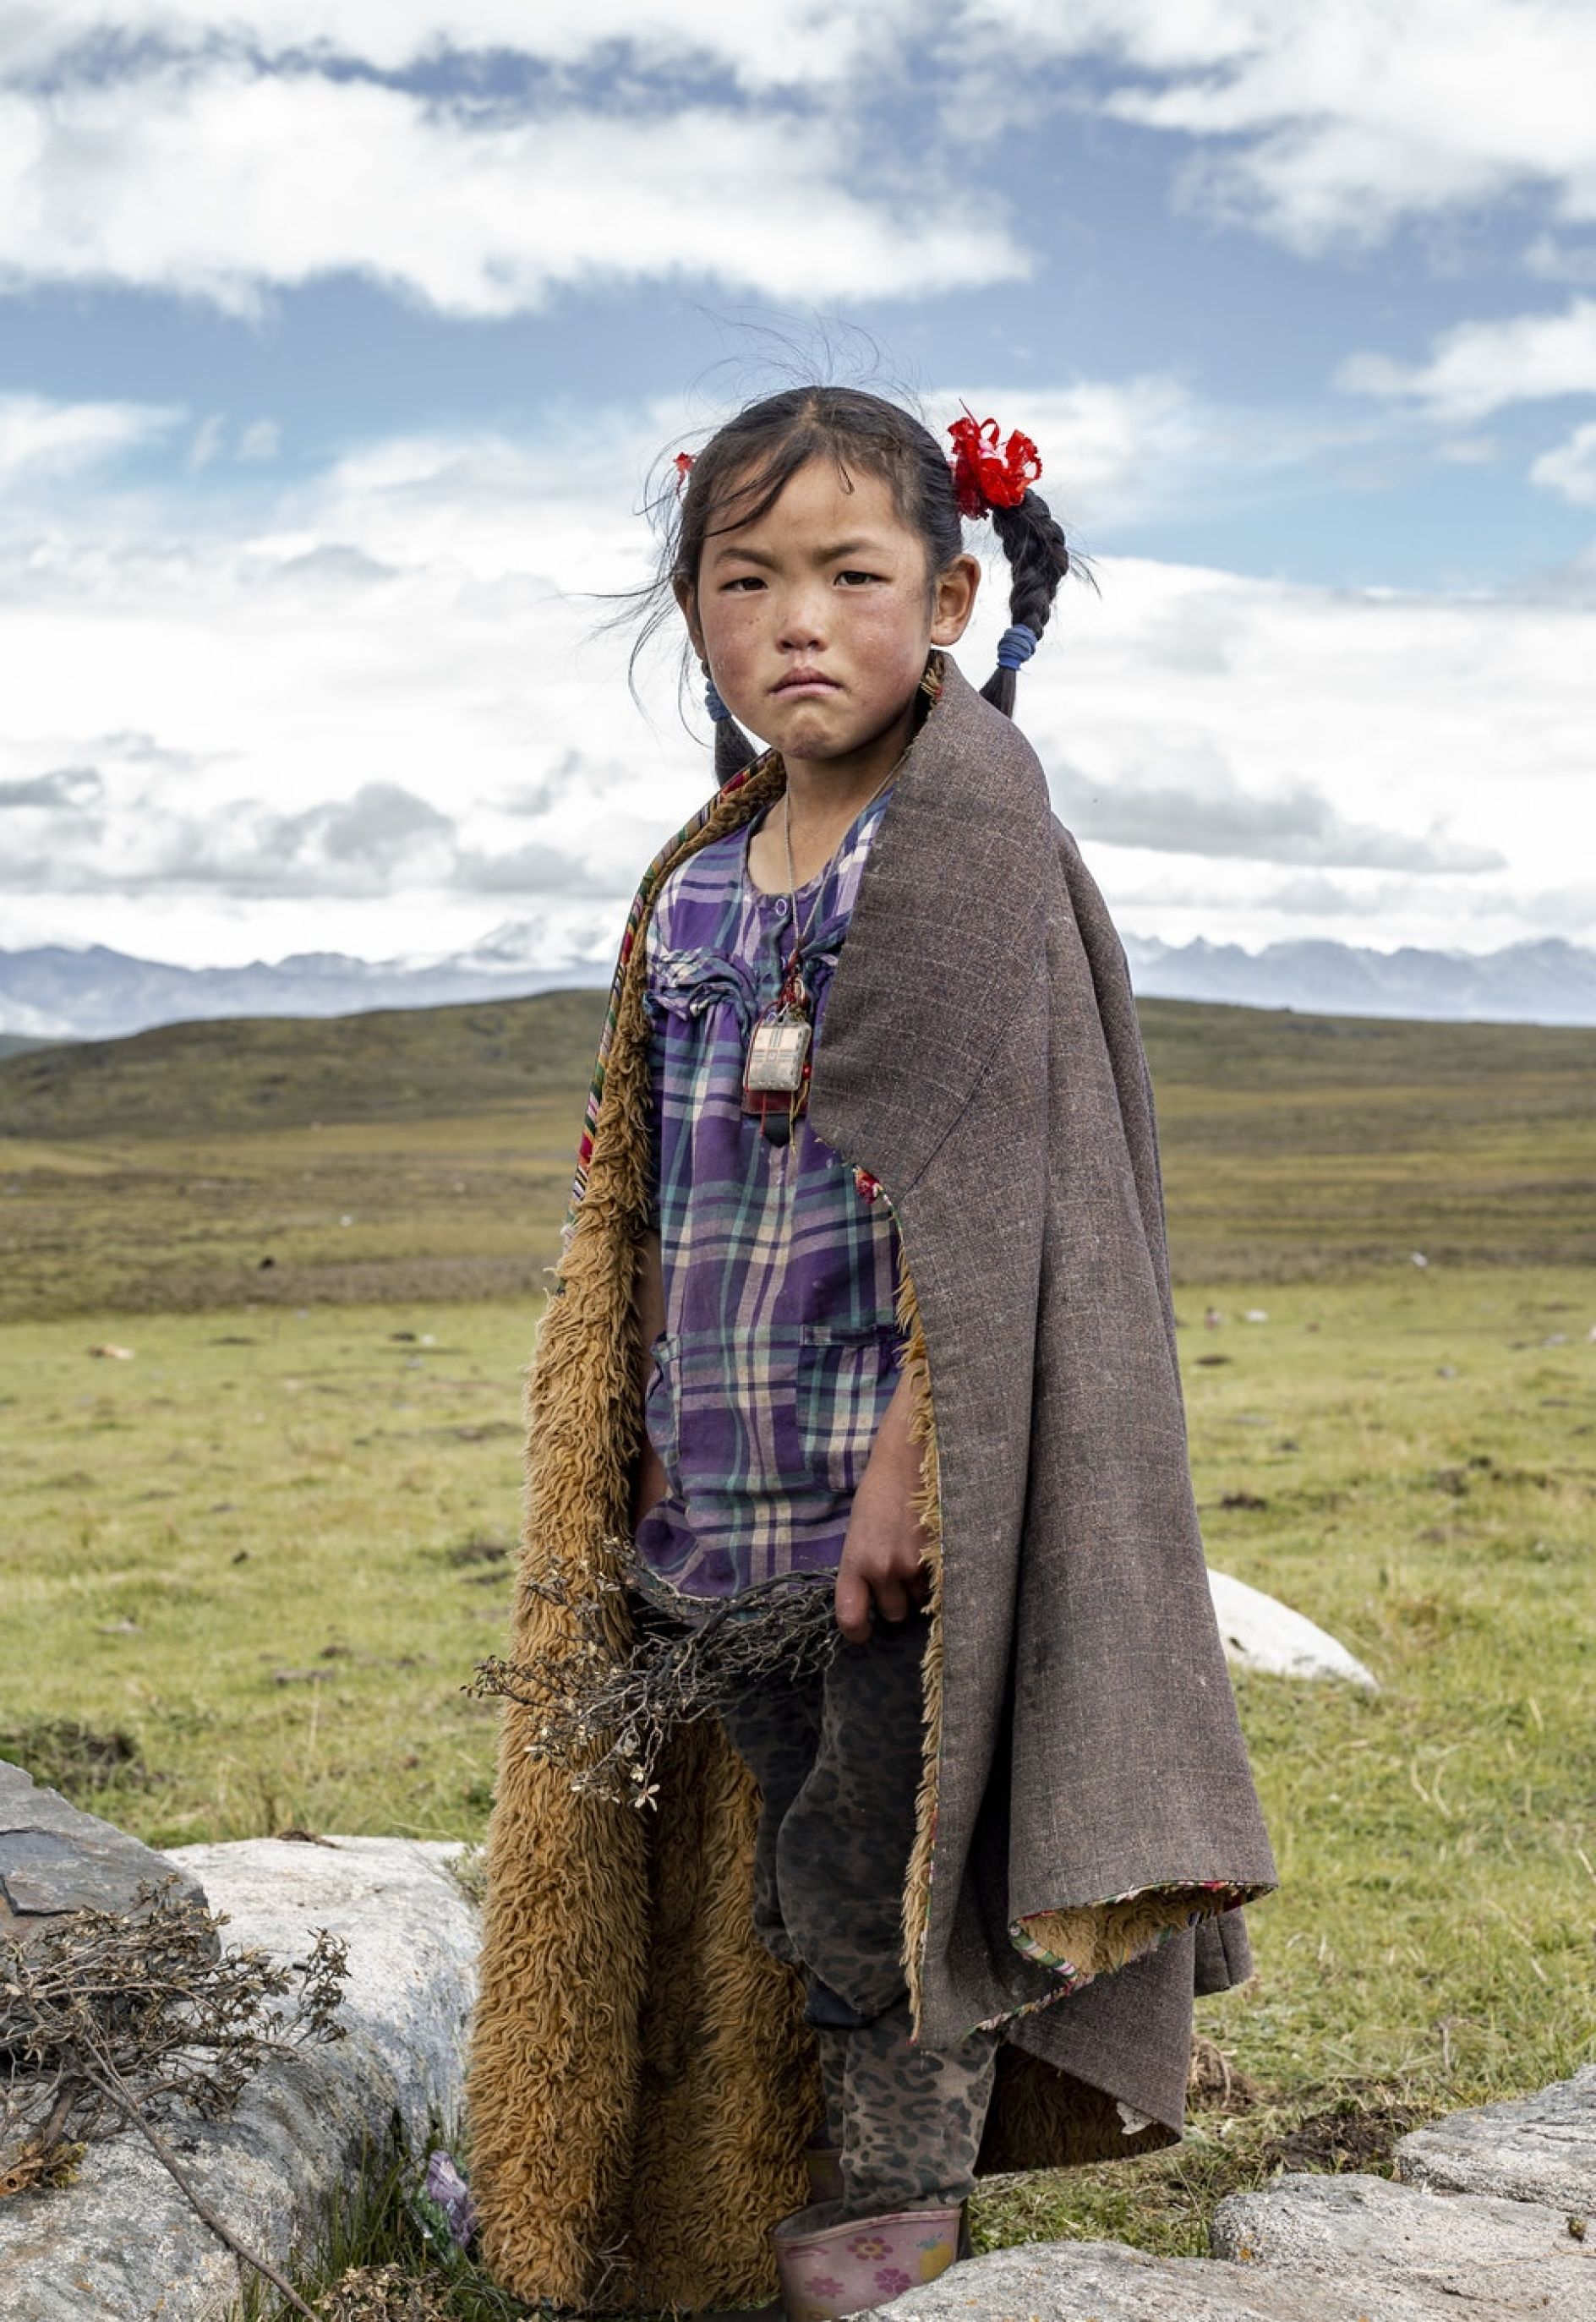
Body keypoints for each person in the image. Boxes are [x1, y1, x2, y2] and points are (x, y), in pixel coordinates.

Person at [467, 386, 1277, 2319]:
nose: (795, 623)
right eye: (744, 581)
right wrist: (623, 1459)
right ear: (693, 614)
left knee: (884, 1897)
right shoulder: (695, 882)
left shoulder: (959, 863)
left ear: (947, 593)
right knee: (768, 1892)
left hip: (891, 1514)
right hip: (717, 1513)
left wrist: (919, 1468)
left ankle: (890, 2248)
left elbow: (1002, 1210)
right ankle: (722, 2215)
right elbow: (646, 1206)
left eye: (848, 574)